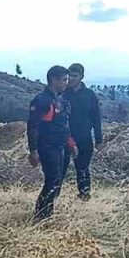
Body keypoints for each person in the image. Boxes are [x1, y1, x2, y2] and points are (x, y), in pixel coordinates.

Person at [28, 66, 75, 222]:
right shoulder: (42, 100)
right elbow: (33, 126)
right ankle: (41, 216)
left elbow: (63, 125)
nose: (66, 83)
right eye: (64, 80)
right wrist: (33, 150)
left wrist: (70, 143)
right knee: (51, 181)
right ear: (53, 80)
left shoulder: (60, 100)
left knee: (57, 181)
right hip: (47, 147)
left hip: (60, 146)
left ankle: (48, 213)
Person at [64, 63, 103, 201]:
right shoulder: (62, 94)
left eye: (75, 76)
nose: (71, 79)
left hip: (84, 137)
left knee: (83, 168)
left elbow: (96, 117)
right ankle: (54, 196)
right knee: (60, 168)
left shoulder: (89, 95)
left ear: (81, 77)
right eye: (69, 76)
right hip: (64, 137)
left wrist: (99, 139)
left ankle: (84, 195)